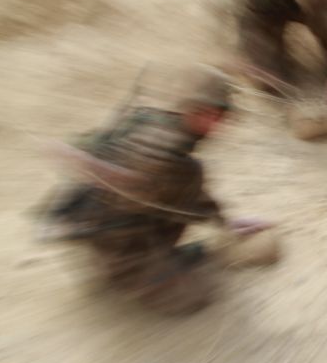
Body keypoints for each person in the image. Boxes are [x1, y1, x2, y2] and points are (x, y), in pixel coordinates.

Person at [39, 64, 270, 314]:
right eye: (214, 115)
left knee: (176, 209)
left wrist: (225, 221)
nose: (219, 125)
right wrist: (222, 225)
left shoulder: (156, 121)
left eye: (221, 117)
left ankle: (136, 263)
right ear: (197, 110)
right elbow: (184, 197)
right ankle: (122, 270)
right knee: (192, 298)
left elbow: (186, 194)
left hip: (111, 219)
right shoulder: (169, 158)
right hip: (114, 237)